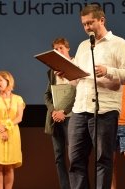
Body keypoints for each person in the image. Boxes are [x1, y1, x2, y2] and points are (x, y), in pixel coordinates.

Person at [67, 4, 125, 189]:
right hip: (79, 109)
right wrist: (67, 74)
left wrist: (108, 71)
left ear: (102, 20)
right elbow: (77, 81)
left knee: (103, 160)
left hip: (104, 109)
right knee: (75, 159)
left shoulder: (119, 43)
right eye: (84, 24)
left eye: (90, 23)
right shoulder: (82, 47)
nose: (87, 27)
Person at [44, 37, 76, 189]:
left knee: (74, 156)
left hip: (72, 118)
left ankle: (76, 186)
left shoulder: (76, 65)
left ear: (68, 48)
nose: (58, 52)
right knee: (59, 157)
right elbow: (47, 95)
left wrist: (64, 111)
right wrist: (54, 111)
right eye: (55, 50)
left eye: (61, 48)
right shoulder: (51, 71)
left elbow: (79, 93)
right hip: (55, 118)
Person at [0, 71, 25, 189]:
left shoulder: (18, 99)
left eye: (0, 80)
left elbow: (19, 117)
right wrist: (0, 129)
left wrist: (6, 127)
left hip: (12, 132)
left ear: (8, 81)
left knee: (9, 166)